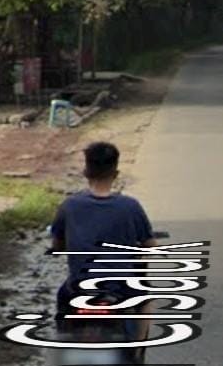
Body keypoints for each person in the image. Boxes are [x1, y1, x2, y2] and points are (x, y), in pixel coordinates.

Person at [50, 142, 157, 342]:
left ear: (86, 172)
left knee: (62, 301)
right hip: (120, 286)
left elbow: (57, 244)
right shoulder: (130, 206)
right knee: (145, 300)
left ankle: (65, 343)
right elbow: (150, 245)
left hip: (80, 285)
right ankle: (137, 348)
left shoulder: (69, 206)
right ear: (115, 173)